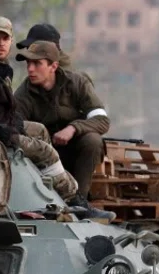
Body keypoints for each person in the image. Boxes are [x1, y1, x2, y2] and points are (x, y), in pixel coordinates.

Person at [0, 15, 77, 200]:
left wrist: (16, 123)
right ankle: (70, 197)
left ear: (11, 40)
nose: (0, 43)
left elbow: (6, 108)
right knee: (45, 152)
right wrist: (7, 132)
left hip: (2, 125)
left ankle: (48, 189)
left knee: (39, 130)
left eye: (5, 38)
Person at [14, 40, 113, 217]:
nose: (30, 69)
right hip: (44, 155)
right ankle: (45, 201)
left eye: (37, 63)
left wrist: (74, 128)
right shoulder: (23, 94)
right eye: (28, 63)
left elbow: (102, 120)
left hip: (74, 150)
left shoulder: (77, 83)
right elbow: (16, 127)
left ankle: (79, 203)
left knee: (93, 140)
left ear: (53, 66)